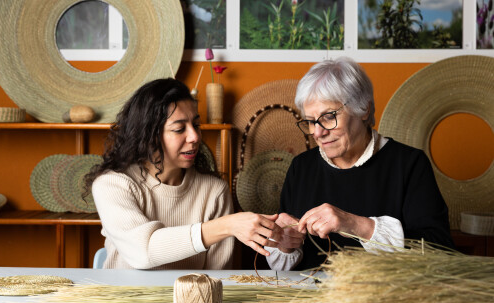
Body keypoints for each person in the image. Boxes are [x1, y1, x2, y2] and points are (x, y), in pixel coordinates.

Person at [265, 57, 455, 271]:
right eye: (310, 121)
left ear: (364, 109)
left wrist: (354, 224)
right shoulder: (301, 168)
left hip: (387, 298)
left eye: (328, 117)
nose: (318, 132)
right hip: (309, 299)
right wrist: (286, 246)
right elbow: (284, 267)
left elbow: (439, 251)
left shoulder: (409, 164)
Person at [84, 78, 282, 270]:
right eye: (179, 129)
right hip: (122, 301)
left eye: (196, 125)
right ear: (148, 136)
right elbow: (142, 251)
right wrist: (226, 225)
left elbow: (218, 276)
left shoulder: (214, 191)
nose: (195, 137)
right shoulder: (112, 185)